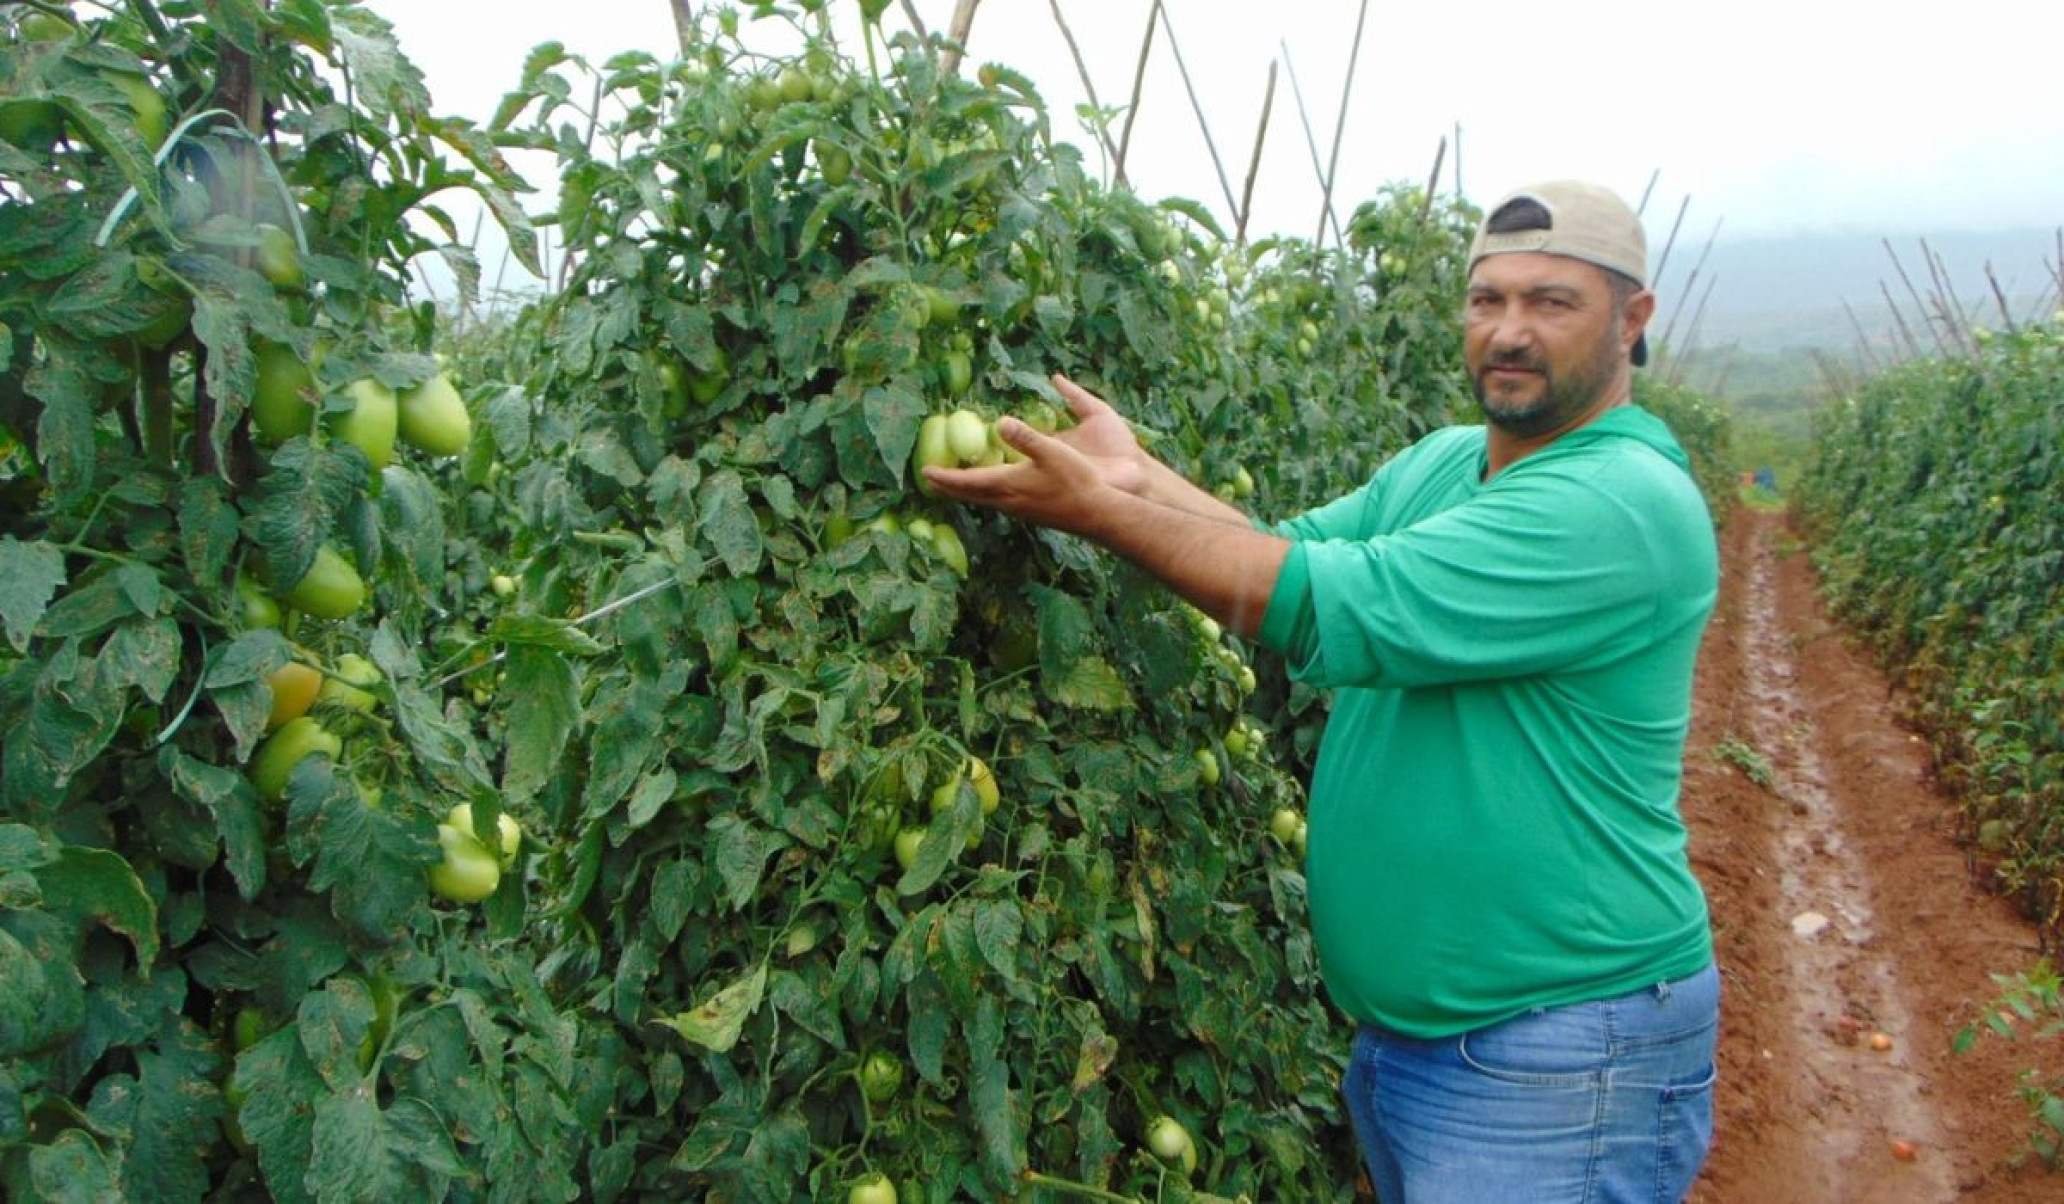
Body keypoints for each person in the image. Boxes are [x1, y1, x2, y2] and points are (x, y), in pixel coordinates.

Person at [924, 179, 1720, 1203]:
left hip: (1558, 1056)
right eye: (1489, 300)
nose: (1509, 331)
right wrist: (1134, 477)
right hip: (1428, 1044)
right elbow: (1286, 548)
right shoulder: (1448, 464)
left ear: (1633, 320)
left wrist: (1101, 519)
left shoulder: (1618, 504)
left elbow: (1324, 599)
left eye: (1551, 302)